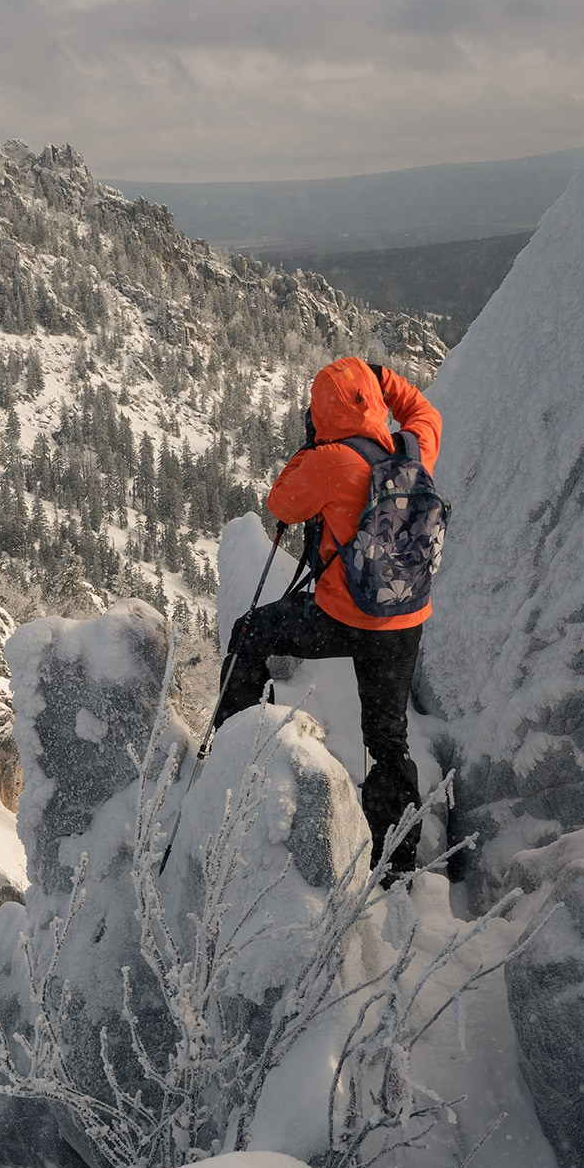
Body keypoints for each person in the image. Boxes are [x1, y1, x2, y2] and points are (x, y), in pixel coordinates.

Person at [213, 355, 443, 877]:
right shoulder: (412, 450)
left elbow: (282, 502)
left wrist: (311, 444)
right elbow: (426, 411)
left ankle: (234, 750)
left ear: (322, 413)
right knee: (388, 739)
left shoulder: (331, 463)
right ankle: (396, 866)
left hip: (342, 617)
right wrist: (386, 381)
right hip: (404, 620)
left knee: (249, 634)